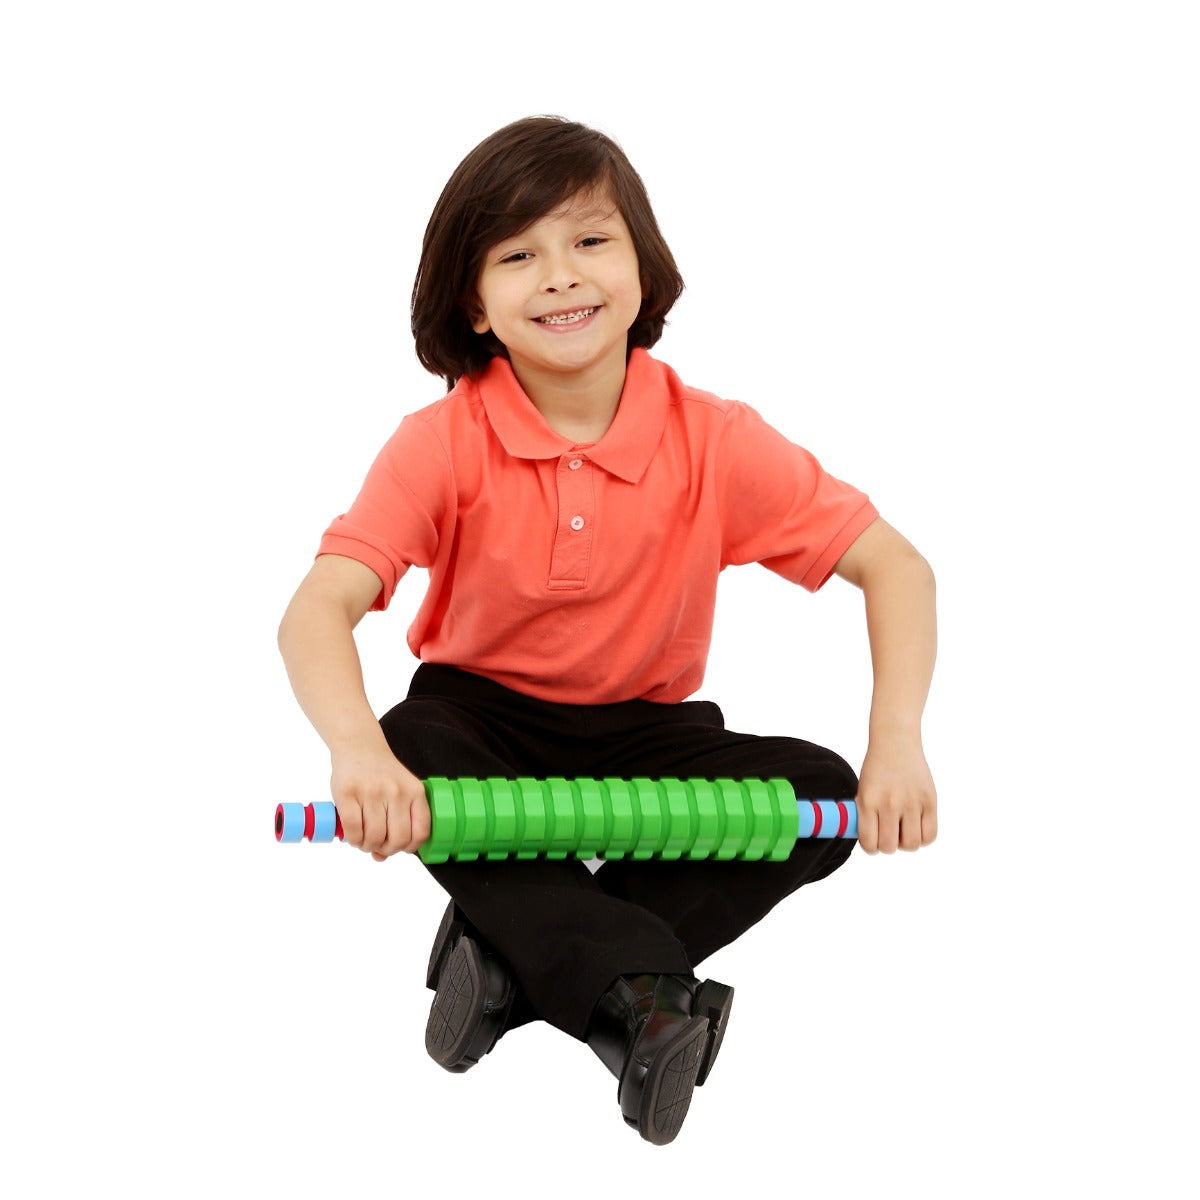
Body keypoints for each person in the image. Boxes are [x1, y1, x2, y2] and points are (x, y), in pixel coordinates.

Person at [277, 115, 937, 1145]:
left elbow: (895, 566)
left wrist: (898, 743)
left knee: (822, 797)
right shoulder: (439, 442)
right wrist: (357, 752)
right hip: (481, 724)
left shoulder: (715, 437)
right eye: (517, 254)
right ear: (474, 303)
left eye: (589, 240)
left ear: (641, 261)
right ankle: (642, 1001)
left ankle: (512, 959)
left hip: (645, 728)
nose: (560, 277)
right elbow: (317, 606)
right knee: (416, 743)